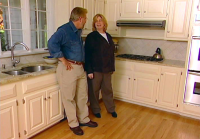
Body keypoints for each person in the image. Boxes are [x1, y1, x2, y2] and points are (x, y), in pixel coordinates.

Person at [48, 7, 98, 136]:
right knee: (69, 98)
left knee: (82, 96)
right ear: (80, 18)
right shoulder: (64, 30)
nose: (86, 21)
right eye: (85, 18)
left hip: (80, 68)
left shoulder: (77, 31)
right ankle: (73, 123)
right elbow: (52, 43)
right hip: (69, 68)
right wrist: (63, 60)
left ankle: (84, 119)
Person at [84, 14, 117, 119]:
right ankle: (96, 109)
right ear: (94, 24)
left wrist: (112, 68)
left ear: (104, 23)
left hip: (107, 69)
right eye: (96, 21)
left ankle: (111, 109)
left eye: (100, 20)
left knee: (108, 90)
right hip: (95, 70)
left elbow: (111, 54)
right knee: (94, 91)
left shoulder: (108, 36)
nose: (98, 22)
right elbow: (87, 54)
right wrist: (89, 70)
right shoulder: (91, 37)